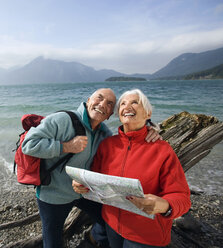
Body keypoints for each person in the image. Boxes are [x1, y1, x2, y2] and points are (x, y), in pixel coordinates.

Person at [22, 88, 160, 248]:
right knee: (52, 242)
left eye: (109, 104)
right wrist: (65, 146)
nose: (102, 104)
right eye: (99, 98)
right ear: (88, 101)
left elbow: (126, 142)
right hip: (53, 195)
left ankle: (91, 239)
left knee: (107, 219)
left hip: (83, 193)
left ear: (110, 114)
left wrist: (151, 129)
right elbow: (29, 145)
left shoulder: (103, 133)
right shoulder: (62, 120)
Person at [73, 89, 191, 248]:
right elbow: (96, 180)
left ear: (148, 113)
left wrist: (163, 205)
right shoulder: (108, 145)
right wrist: (82, 185)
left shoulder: (162, 150)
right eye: (123, 103)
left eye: (135, 102)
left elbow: (182, 197)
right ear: (119, 114)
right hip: (112, 224)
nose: (127, 106)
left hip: (146, 234)